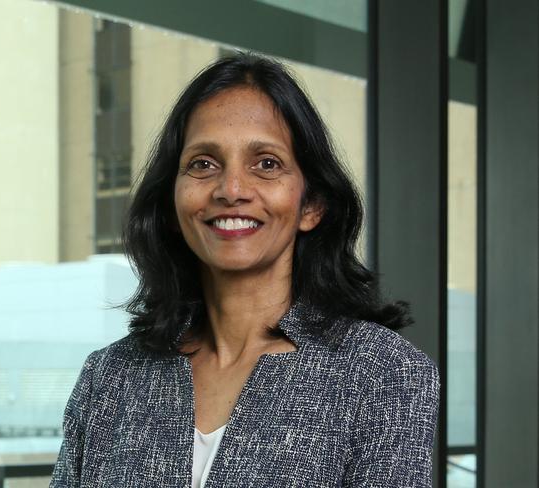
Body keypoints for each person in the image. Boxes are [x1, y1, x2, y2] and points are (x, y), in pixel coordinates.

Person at [50, 52, 440, 487]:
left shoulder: (382, 373)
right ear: (173, 200)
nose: (231, 189)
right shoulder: (108, 377)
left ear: (311, 204)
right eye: (203, 164)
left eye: (266, 164)